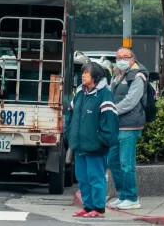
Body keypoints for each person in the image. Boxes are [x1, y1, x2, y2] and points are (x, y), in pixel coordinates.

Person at [65, 61, 119, 218]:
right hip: (79, 146)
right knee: (82, 178)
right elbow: (69, 116)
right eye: (82, 73)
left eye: (86, 73)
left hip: (96, 147)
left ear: (95, 76)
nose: (83, 75)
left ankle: (98, 208)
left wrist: (102, 140)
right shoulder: (80, 94)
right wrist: (70, 134)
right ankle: (88, 207)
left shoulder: (104, 95)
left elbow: (110, 122)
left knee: (96, 178)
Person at [107, 47, 149, 210]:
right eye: (118, 57)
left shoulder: (137, 75)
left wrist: (112, 110)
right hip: (117, 124)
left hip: (130, 125)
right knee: (113, 161)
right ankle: (123, 195)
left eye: (125, 57)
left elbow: (132, 100)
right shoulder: (118, 74)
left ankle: (132, 197)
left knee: (126, 163)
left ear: (133, 59)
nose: (121, 60)